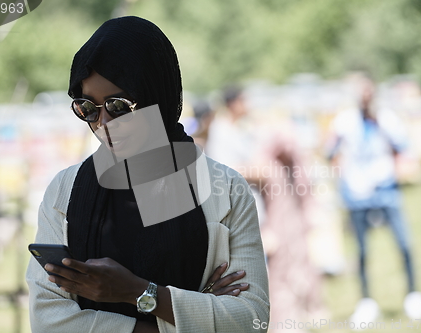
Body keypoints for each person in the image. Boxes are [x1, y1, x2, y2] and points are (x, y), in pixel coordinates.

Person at [26, 16, 269, 333]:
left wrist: (137, 292)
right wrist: (188, 314)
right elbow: (48, 320)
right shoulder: (66, 191)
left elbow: (251, 319)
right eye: (88, 108)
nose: (103, 123)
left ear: (158, 94)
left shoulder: (225, 190)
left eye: (118, 105)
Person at [327, 75, 421, 323]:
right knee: (361, 251)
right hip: (357, 195)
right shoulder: (344, 121)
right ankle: (366, 302)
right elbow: (329, 151)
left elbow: (404, 148)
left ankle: (414, 296)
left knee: (404, 244)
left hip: (386, 191)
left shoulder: (387, 119)